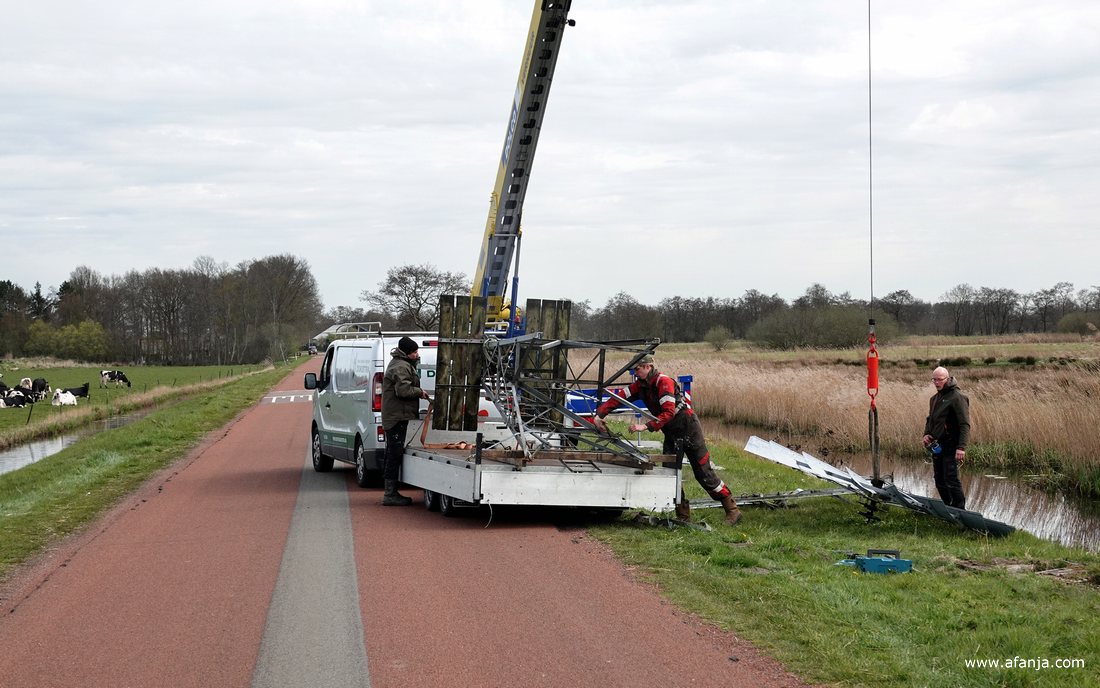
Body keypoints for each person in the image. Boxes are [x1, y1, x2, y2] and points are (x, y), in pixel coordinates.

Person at [592, 354, 742, 525]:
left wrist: (646, 426)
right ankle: (683, 516)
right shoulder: (639, 386)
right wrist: (599, 415)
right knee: (670, 474)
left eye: (637, 369)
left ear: (648, 366)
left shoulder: (663, 382)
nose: (635, 372)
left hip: (688, 428)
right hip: (671, 433)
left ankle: (732, 509)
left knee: (703, 473)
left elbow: (669, 412)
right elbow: (618, 398)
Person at [380, 336, 430, 506]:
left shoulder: (400, 363)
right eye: (414, 352)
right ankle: (390, 493)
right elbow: (403, 390)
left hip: (396, 414)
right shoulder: (401, 366)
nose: (417, 354)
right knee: (394, 453)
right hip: (396, 416)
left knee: (392, 452)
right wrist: (419, 392)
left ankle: (390, 491)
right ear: (407, 352)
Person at [922, 366, 970, 509]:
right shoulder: (935, 398)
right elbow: (930, 419)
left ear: (947, 379)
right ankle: (949, 508)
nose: (936, 383)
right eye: (934, 379)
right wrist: (926, 434)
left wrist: (961, 447)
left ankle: (960, 511)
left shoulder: (957, 397)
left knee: (951, 479)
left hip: (952, 444)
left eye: (939, 379)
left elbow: (964, 424)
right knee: (939, 480)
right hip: (938, 445)